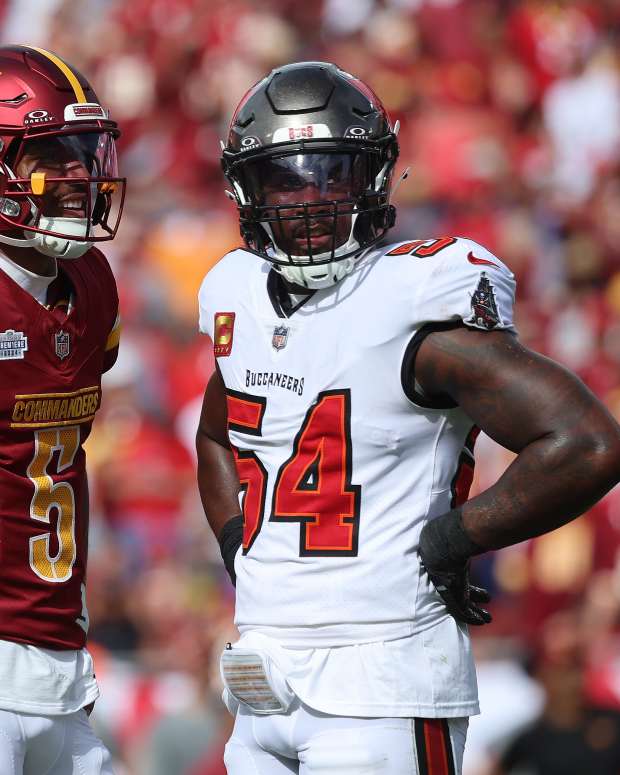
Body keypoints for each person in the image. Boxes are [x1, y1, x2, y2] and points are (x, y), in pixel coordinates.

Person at [196, 61, 620, 774]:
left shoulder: (414, 298)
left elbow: (587, 442)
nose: (308, 200)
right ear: (246, 189)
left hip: (384, 676)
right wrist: (239, 541)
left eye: (332, 173)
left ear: (375, 176)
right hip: (264, 677)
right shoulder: (235, 292)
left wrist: (457, 536)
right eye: (286, 177)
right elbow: (216, 433)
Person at [0, 45, 125, 774]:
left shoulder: (92, 280)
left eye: (84, 150)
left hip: (59, 662)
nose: (80, 173)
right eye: (52, 153)